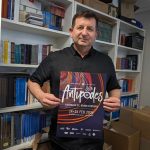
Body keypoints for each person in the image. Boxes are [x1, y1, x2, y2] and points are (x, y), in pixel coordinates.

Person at [28, 11, 121, 150]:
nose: (84, 33)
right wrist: (41, 96)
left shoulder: (106, 61)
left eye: (90, 29)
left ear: (96, 34)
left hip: (93, 140)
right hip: (61, 140)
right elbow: (33, 81)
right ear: (71, 31)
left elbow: (114, 86)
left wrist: (115, 100)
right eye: (80, 27)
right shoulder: (55, 58)